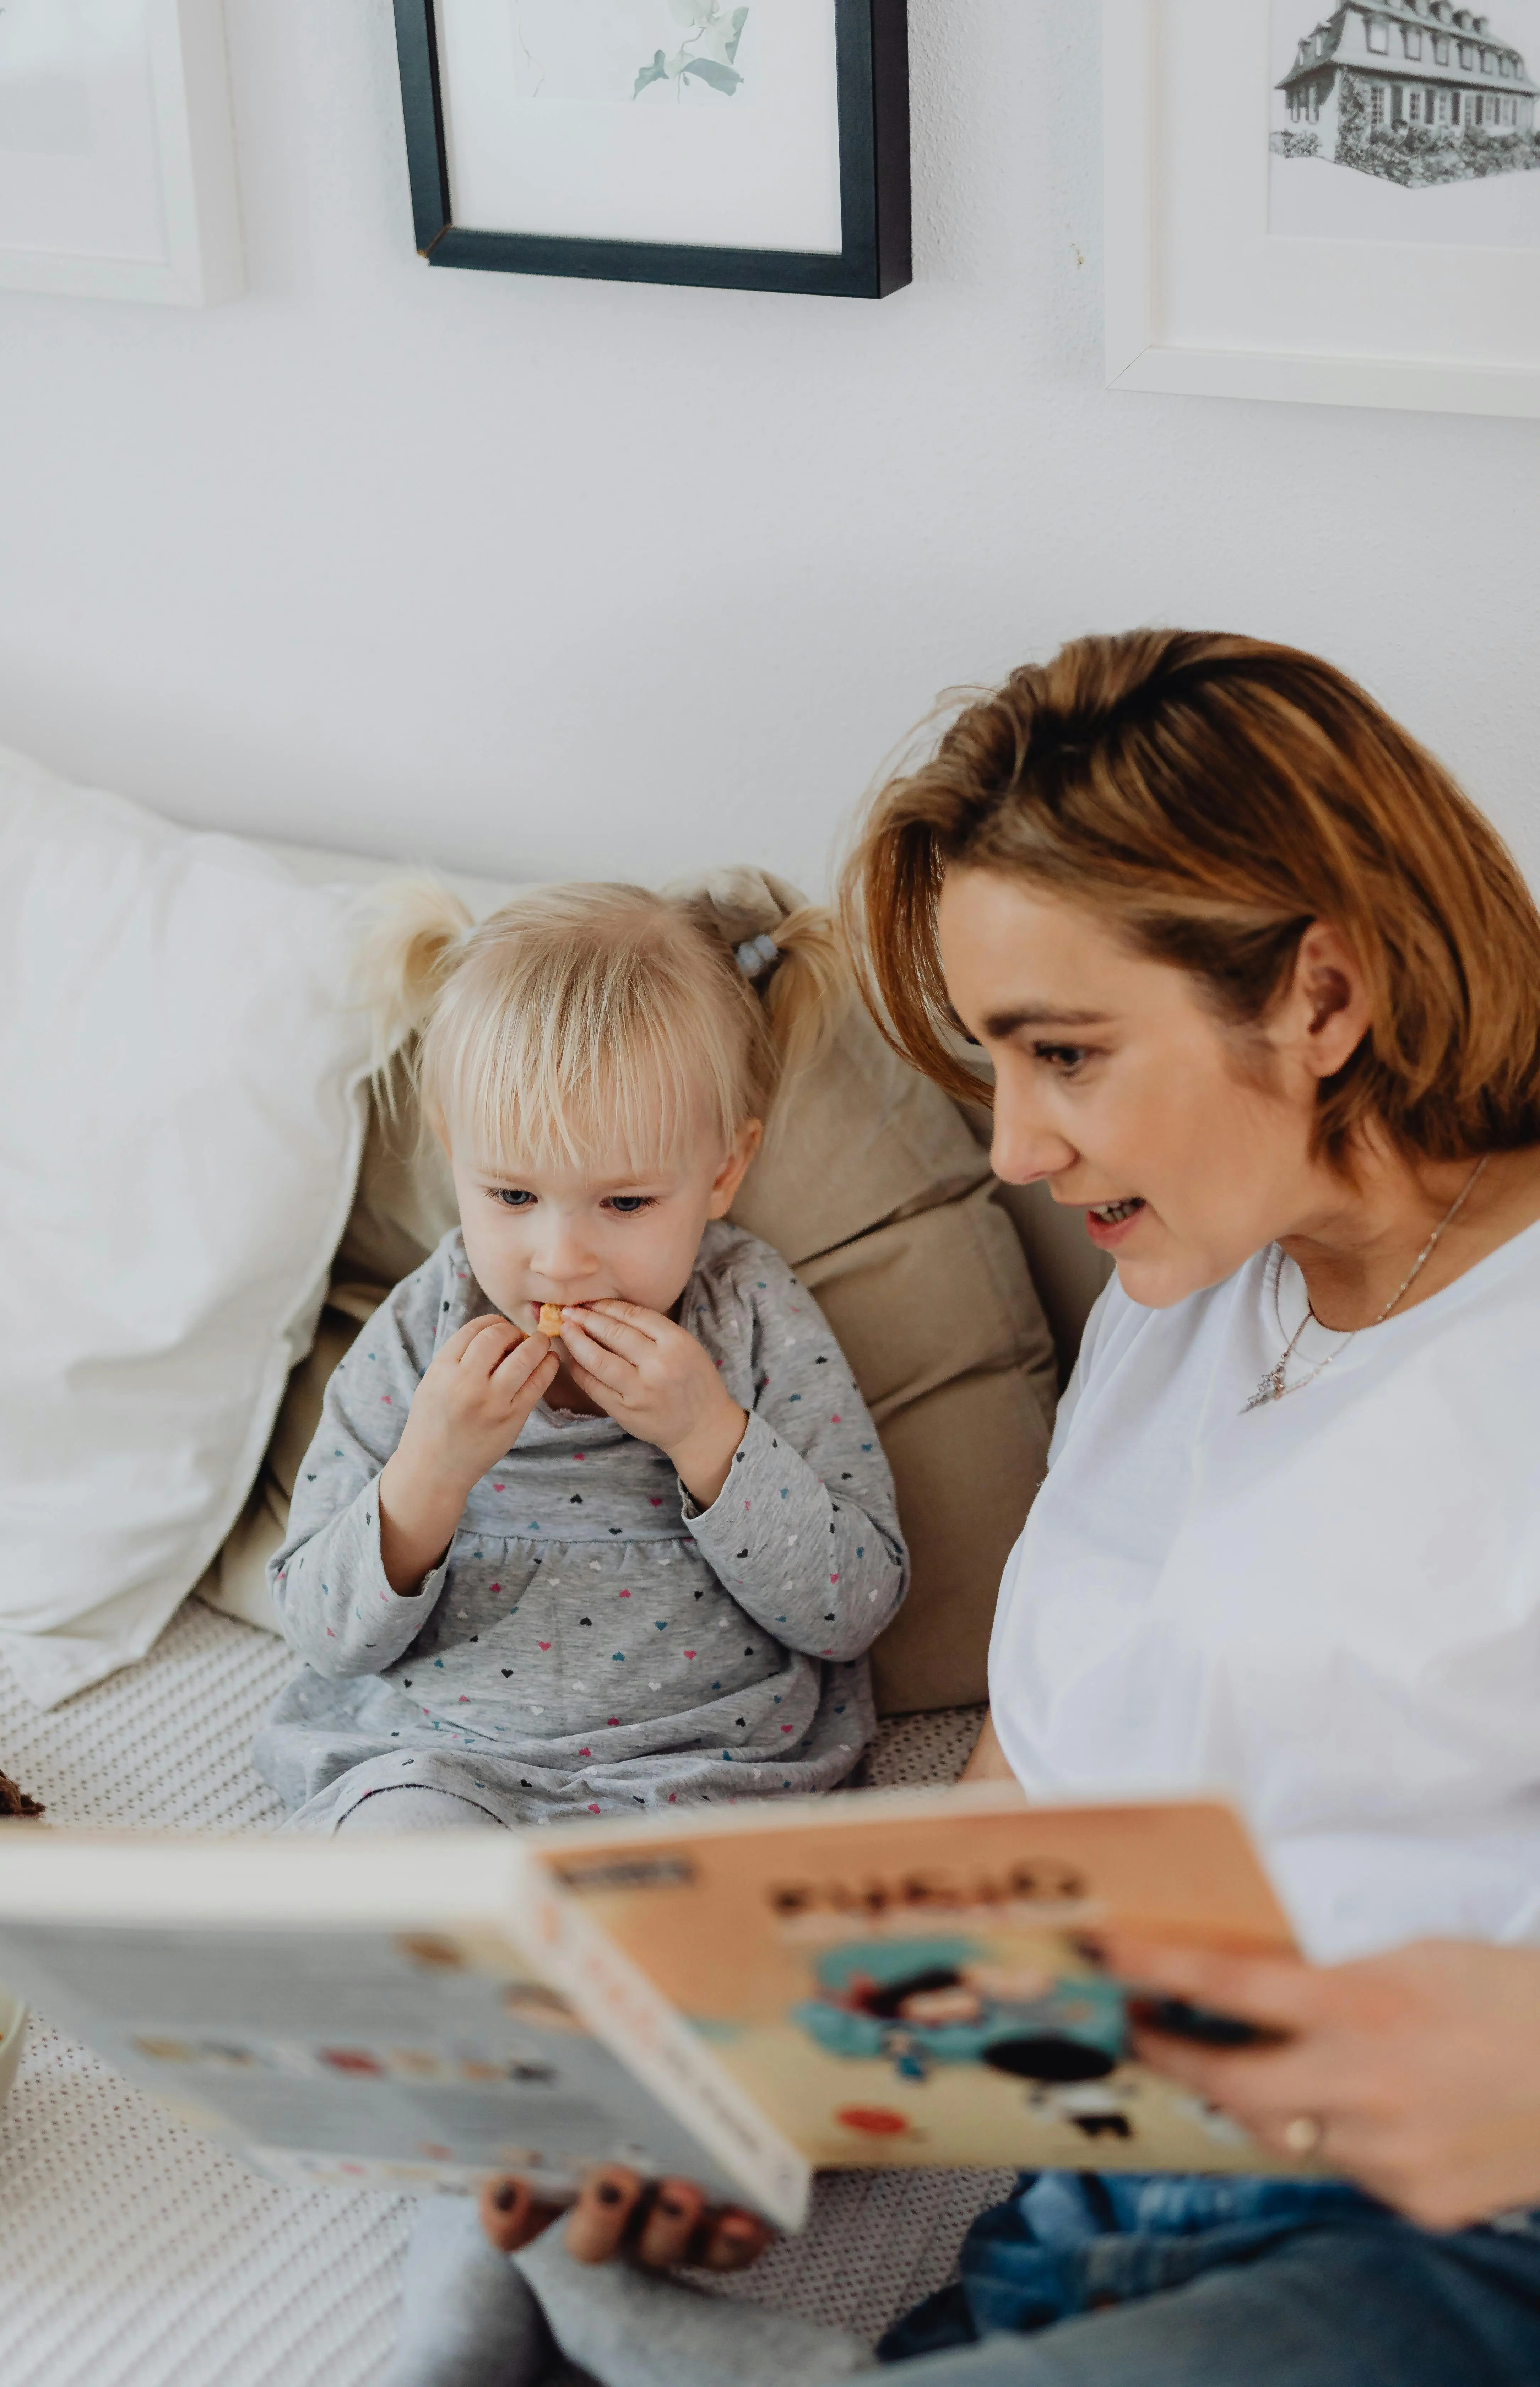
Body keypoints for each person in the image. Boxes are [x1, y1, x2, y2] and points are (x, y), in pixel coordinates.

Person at [451, 632, 1540, 2387]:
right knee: (523, 2283)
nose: (1013, 1148)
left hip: (1452, 2232)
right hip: (1082, 2221)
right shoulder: (1178, 1300)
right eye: (991, 1064)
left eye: (1066, 1056)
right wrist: (767, 2092)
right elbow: (1034, 1796)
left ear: (1321, 1001)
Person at [244, 872, 907, 2384]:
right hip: (452, 1773)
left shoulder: (750, 1319)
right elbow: (325, 1631)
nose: (559, 1258)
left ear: (722, 1174)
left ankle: (527, 2305)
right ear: (453, 1173)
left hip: (697, 1785)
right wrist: (428, 1475)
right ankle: (510, 2322)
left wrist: (709, 1439)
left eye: (624, 1205)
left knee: (744, 2033)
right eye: (513, 1199)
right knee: (422, 1947)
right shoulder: (420, 1337)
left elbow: (857, 1598)